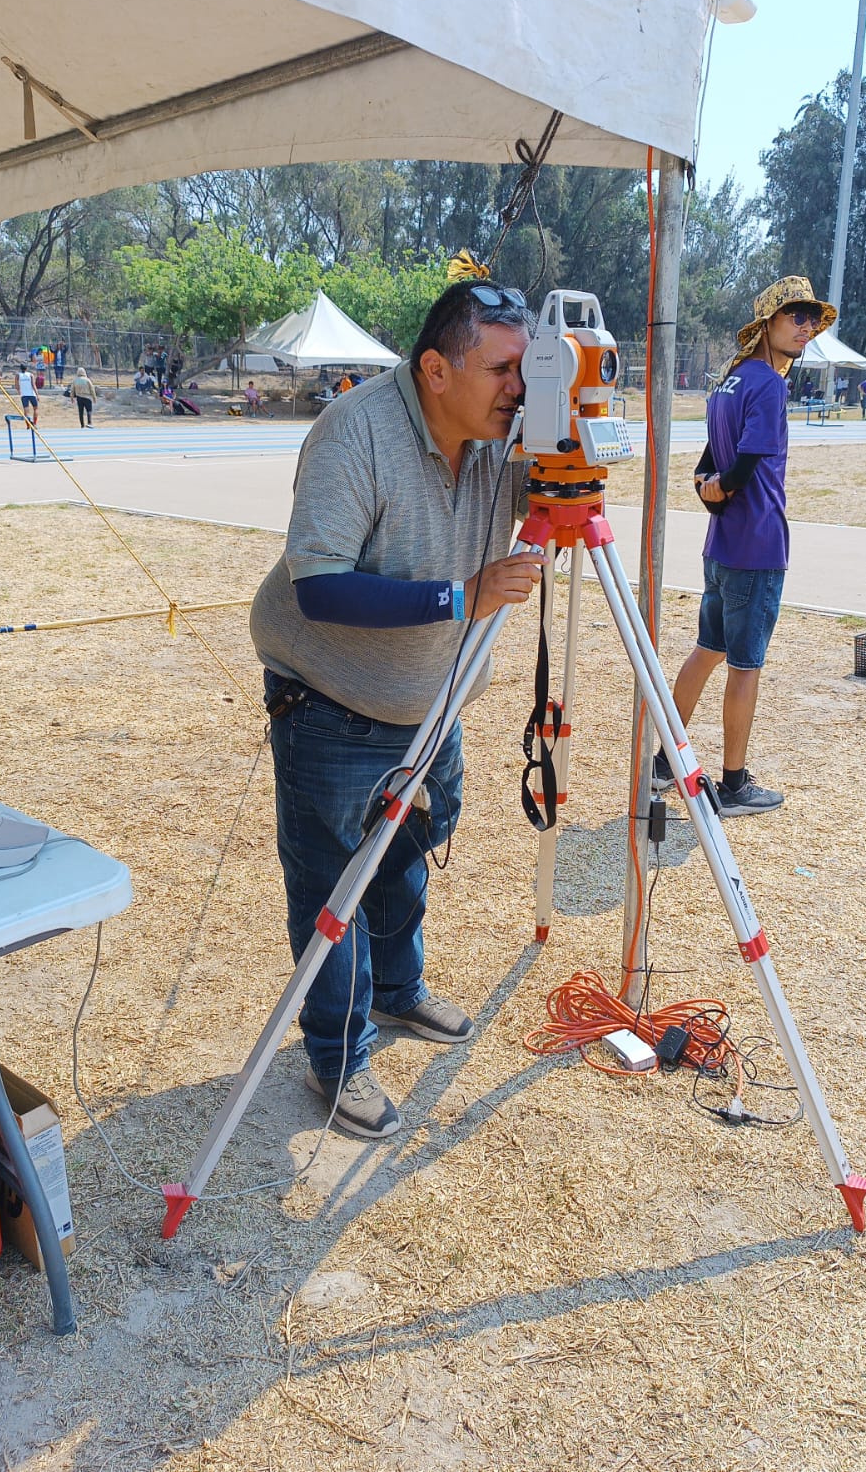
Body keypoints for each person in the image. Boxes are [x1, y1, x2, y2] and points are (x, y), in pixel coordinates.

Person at [250, 280, 540, 1138]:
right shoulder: (356, 432)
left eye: (531, 370)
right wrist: (462, 597)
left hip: (431, 698)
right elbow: (321, 585)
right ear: (436, 370)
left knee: (416, 829)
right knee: (333, 878)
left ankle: (397, 986)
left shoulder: (502, 433)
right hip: (330, 698)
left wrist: (572, 437)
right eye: (504, 369)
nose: (520, 389)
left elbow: (554, 494)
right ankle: (338, 1054)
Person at [652, 275, 836, 816]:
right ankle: (734, 784)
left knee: (707, 649)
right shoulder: (770, 386)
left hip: (721, 545)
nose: (805, 327)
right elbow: (749, 460)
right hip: (757, 546)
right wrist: (722, 487)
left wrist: (709, 492)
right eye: (795, 316)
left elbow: (709, 460)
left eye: (810, 319)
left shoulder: (729, 380)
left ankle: (666, 761)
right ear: (768, 325)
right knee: (745, 664)